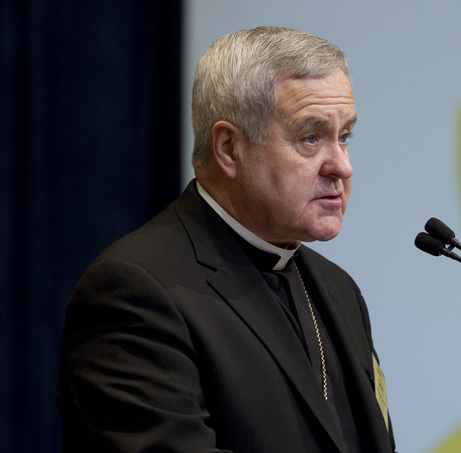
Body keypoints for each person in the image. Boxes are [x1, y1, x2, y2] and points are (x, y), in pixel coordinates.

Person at [57, 26, 395, 452]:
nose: (341, 166)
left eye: (343, 136)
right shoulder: (135, 292)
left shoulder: (339, 291)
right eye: (311, 138)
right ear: (229, 148)